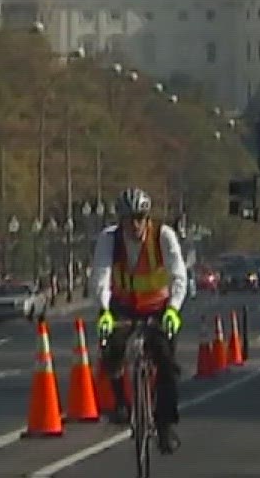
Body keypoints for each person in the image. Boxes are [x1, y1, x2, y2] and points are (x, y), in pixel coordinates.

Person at [91, 188, 187, 454]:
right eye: (128, 219)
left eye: (140, 218)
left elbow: (179, 276)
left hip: (158, 308)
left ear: (148, 218)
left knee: (166, 362)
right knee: (111, 347)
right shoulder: (109, 240)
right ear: (119, 220)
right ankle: (121, 404)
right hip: (123, 306)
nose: (135, 225)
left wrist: (173, 310)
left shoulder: (163, 236)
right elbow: (101, 276)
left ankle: (165, 425)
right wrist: (104, 311)